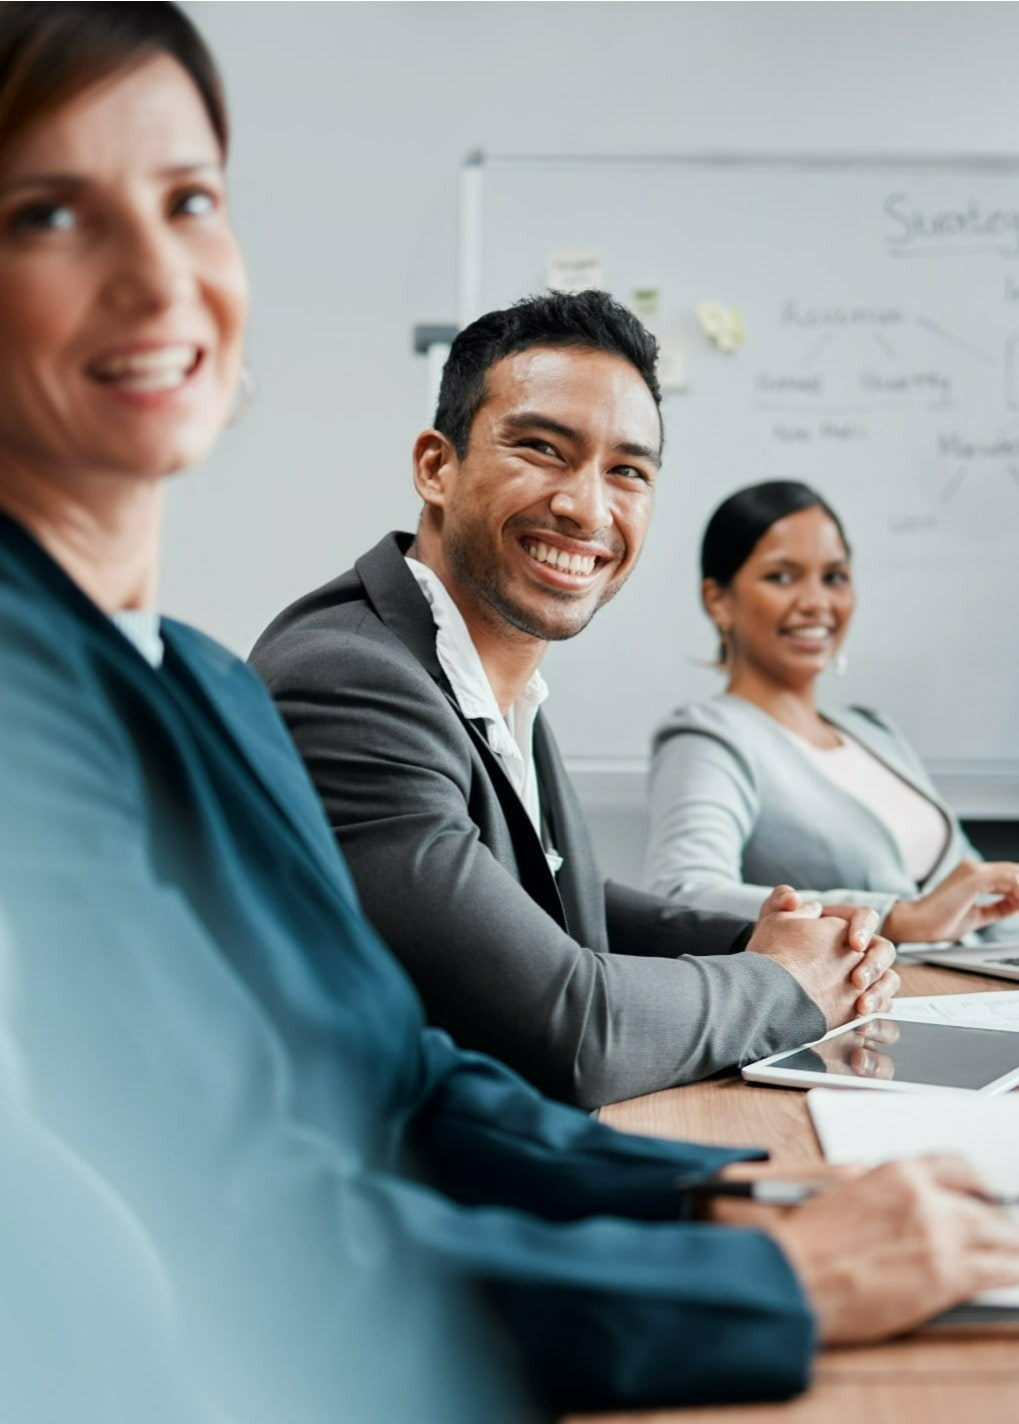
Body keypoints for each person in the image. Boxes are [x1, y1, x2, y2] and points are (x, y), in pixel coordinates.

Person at [3, 7, 1019, 1419]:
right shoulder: (115, 701)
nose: (153, 270)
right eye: (50, 213)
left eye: (189, 200)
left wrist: (725, 1205)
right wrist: (775, 1275)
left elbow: (399, 1077)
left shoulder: (208, 686)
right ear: (435, 466)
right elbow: (235, 1220)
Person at [250, 296, 897, 1110]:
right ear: (434, 467)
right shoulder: (349, 680)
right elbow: (566, 1032)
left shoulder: (477, 666)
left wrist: (753, 936)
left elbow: (555, 895)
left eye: (627, 471)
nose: (587, 508)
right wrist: (784, 982)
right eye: (541, 449)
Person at [644, 480, 1019, 944]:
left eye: (834, 577)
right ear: (718, 600)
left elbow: (984, 902)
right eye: (782, 576)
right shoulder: (709, 737)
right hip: (874, 1004)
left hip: (977, 997)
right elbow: (682, 894)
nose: (817, 603)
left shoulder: (874, 731)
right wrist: (898, 918)